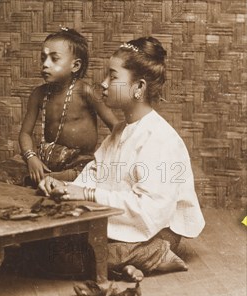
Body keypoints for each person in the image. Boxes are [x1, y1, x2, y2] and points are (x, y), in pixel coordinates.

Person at [39, 37, 205, 282]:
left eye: (113, 77)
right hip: (122, 223)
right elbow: (95, 174)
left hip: (157, 230)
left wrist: (85, 195)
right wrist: (65, 188)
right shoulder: (120, 131)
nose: (103, 84)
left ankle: (155, 253)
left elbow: (149, 211)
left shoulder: (160, 139)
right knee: (46, 245)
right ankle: (130, 264)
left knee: (63, 258)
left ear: (138, 87)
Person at [0, 27, 118, 186]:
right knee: (1, 172)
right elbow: (25, 133)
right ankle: (46, 179)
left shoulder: (86, 92)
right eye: (43, 58)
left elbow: (116, 127)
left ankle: (50, 180)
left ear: (75, 66)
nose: (45, 64)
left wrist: (108, 158)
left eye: (54, 59)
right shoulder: (39, 94)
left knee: (87, 172)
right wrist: (32, 158)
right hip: (46, 157)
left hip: (77, 161)